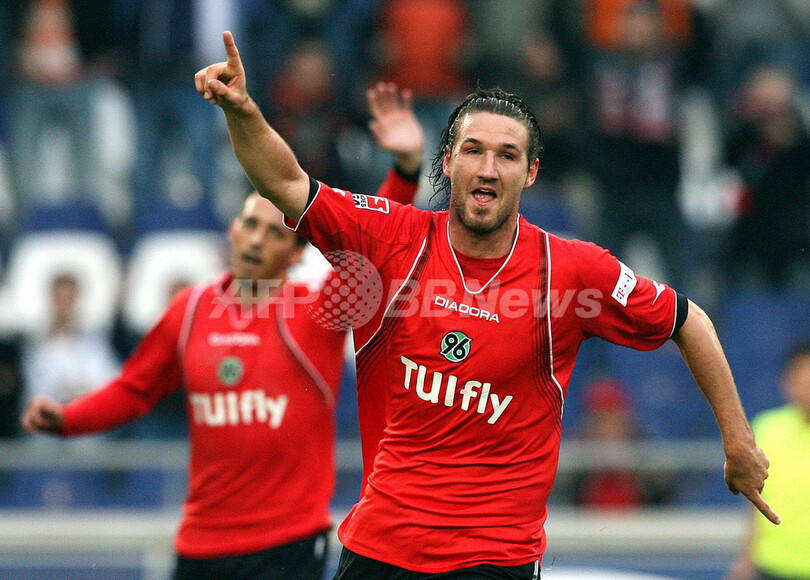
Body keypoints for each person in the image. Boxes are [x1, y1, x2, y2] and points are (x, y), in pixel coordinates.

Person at [195, 31, 779, 579]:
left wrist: (737, 442)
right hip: (381, 549)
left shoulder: (572, 270)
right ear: (448, 161)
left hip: (494, 559)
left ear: (531, 172)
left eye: (507, 155)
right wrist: (242, 111)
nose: (488, 169)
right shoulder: (390, 236)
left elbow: (688, 321)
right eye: (473, 150)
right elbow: (286, 183)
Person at [20, 81, 423, 580]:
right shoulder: (190, 310)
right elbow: (135, 389)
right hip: (201, 545)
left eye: (274, 233)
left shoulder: (316, 311)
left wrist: (406, 169)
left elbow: (369, 247)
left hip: (288, 544)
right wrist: (68, 419)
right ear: (231, 230)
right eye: (249, 225)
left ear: (297, 255)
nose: (256, 240)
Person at [726, 341, 810, 580]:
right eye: (801, 380)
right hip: (772, 565)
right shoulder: (766, 428)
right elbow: (755, 500)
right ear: (787, 382)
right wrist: (745, 559)